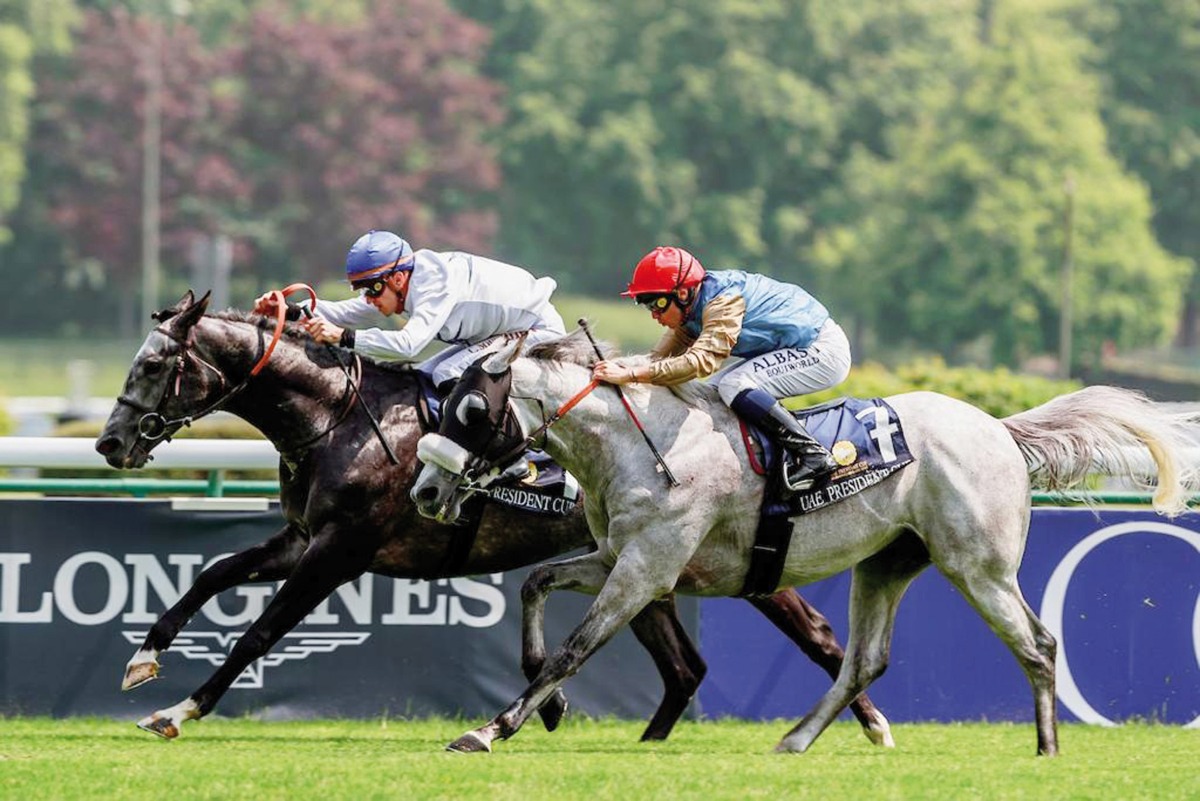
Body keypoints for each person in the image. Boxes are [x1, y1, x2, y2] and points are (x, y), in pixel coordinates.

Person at [593, 246, 850, 491]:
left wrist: (631, 374)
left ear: (682, 293)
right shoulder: (691, 307)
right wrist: (623, 368)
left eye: (657, 304)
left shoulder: (721, 304)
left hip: (821, 350)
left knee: (733, 385)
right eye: (646, 305)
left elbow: (698, 363)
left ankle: (812, 455)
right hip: (794, 347)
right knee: (710, 394)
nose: (654, 315)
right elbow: (656, 361)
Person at [254, 230, 566, 390]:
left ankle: (510, 461)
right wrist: (291, 310)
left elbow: (408, 346)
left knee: (446, 372)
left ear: (398, 278)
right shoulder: (402, 282)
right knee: (422, 376)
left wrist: (343, 338)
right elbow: (348, 312)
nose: (369, 298)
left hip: (538, 330)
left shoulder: (436, 284)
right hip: (496, 333)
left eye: (372, 289)